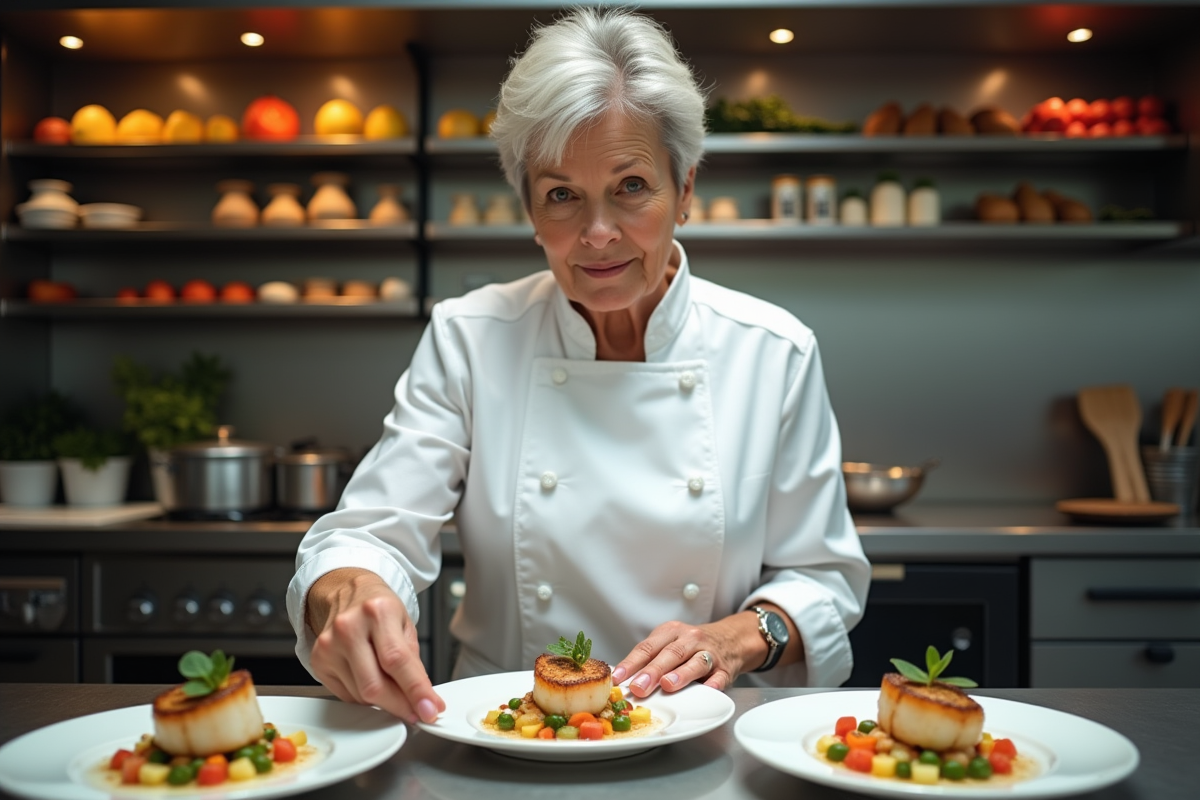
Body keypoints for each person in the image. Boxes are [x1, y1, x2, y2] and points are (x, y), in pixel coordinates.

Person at [286, 6, 870, 725]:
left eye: (631, 186)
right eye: (562, 195)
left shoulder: (773, 350)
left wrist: (738, 637)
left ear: (685, 189)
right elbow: (371, 533)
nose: (597, 233)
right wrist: (350, 586)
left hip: (702, 728)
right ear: (530, 211)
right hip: (505, 733)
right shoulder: (471, 336)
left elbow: (823, 577)